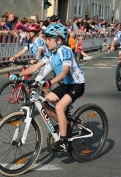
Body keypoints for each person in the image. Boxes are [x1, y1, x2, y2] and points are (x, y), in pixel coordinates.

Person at [9, 23, 85, 152]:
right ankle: (64, 124)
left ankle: (64, 140)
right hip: (66, 85)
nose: (46, 42)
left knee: (60, 107)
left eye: (49, 39)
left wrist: (49, 82)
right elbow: (36, 67)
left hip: (77, 85)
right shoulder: (51, 53)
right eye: (46, 39)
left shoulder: (65, 51)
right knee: (45, 102)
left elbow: (64, 72)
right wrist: (18, 75)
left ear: (59, 40)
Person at [8, 23, 52, 89]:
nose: (26, 34)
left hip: (46, 62)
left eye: (27, 32)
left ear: (32, 34)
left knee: (39, 82)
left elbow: (40, 50)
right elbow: (23, 51)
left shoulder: (39, 40)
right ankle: (29, 93)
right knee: (28, 77)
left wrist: (36, 59)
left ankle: (47, 97)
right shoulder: (30, 42)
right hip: (38, 63)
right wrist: (14, 57)